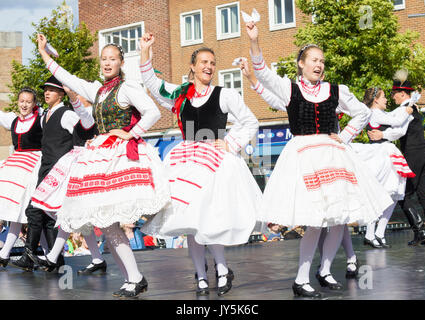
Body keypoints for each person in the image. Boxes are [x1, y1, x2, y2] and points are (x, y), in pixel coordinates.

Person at [244, 20, 393, 298]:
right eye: (313, 60)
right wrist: (255, 40)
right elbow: (263, 73)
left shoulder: (336, 90)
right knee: (314, 219)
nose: (319, 64)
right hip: (303, 156)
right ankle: (301, 278)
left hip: (333, 155)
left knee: (338, 219)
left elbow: (362, 113)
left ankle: (324, 270)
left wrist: (345, 135)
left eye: (322, 61)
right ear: (301, 63)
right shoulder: (290, 89)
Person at [30, 34, 170, 298]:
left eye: (112, 59)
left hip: (119, 157)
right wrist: (44, 53)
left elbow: (153, 112)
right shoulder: (98, 90)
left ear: (120, 62)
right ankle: (133, 278)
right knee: (106, 224)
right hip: (100, 156)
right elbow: (67, 78)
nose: (107, 63)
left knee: (111, 222)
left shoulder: (127, 88)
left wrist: (131, 132)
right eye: (104, 59)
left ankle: (135, 278)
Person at [138, 32, 261, 296]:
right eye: (204, 62)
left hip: (214, 161)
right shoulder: (180, 95)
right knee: (190, 221)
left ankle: (222, 269)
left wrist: (230, 143)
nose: (209, 67)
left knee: (210, 218)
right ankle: (202, 275)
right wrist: (145, 51)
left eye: (212, 63)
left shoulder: (224, 94)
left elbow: (250, 121)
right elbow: (152, 82)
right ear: (192, 67)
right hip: (185, 160)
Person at [10, 75, 94, 272]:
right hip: (46, 167)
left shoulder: (66, 114)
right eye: (46, 90)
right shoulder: (45, 114)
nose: (47, 92)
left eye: (52, 90)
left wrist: (82, 152)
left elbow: (83, 132)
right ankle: (56, 260)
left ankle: (31, 255)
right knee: (49, 216)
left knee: (36, 210)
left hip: (60, 170)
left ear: (61, 93)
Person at [368, 70, 425, 245]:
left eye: (394, 93)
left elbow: (399, 130)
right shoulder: (414, 107)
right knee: (424, 195)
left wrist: (381, 135)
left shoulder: (405, 109)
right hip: (424, 155)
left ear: (402, 93)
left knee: (403, 195)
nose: (392, 97)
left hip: (412, 154)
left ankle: (420, 231)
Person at [350, 87, 415, 248]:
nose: (387, 99)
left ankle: (378, 233)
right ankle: (371, 233)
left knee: (392, 195)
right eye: (384, 97)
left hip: (387, 152)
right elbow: (397, 121)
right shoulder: (374, 113)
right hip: (380, 154)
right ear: (376, 100)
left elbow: (398, 126)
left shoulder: (381, 114)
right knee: (382, 195)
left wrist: (408, 108)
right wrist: (408, 108)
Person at [0, 88, 50, 268]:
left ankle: (49, 255)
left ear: (34, 103)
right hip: (16, 166)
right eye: (22, 101)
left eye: (28, 101)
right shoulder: (13, 121)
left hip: (33, 165)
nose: (24, 104)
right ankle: (48, 255)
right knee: (20, 212)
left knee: (31, 213)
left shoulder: (41, 119)